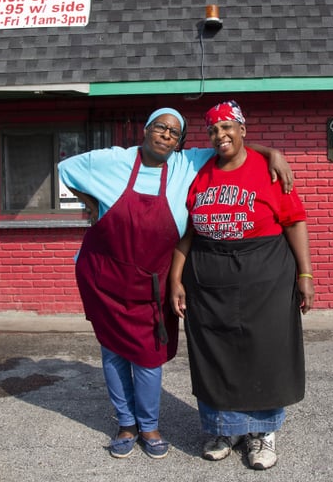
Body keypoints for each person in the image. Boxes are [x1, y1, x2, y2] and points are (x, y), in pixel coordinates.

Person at [57, 107, 293, 460]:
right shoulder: (113, 160)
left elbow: (230, 143)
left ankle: (149, 427)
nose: (166, 135)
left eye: (173, 132)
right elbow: (65, 168)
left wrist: (271, 152)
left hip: (152, 281)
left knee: (149, 358)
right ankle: (125, 425)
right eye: (160, 128)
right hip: (105, 277)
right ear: (146, 130)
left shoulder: (186, 164)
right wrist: (91, 204)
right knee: (113, 354)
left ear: (179, 141)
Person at [168, 100, 314, 470]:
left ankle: (261, 435)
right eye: (214, 129)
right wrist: (175, 279)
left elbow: (295, 221)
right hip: (208, 281)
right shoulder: (201, 175)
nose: (220, 135)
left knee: (265, 354)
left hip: (265, 279)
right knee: (216, 357)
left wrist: (305, 275)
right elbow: (187, 233)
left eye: (227, 127)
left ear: (243, 129)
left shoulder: (268, 170)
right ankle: (223, 430)